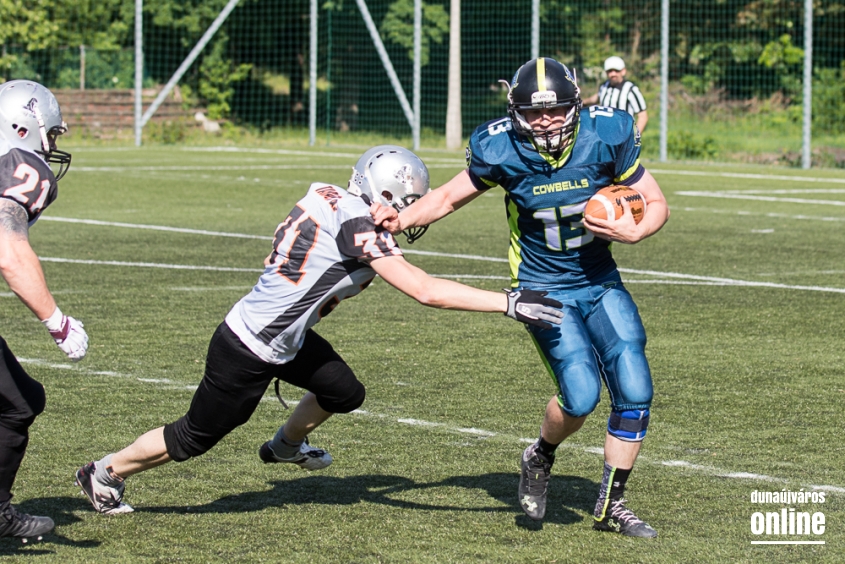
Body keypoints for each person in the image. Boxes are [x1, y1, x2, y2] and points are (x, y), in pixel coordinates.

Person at [74, 145, 563, 515]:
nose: (406, 213)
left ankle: (284, 447)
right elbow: (424, 290)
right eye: (403, 202)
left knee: (343, 391)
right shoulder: (357, 228)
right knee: (191, 438)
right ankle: (103, 472)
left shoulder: (327, 193)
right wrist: (508, 302)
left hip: (284, 334)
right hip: (250, 346)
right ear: (382, 194)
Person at [371, 58, 669, 537]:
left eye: (554, 111)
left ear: (576, 106)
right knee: (580, 396)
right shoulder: (500, 146)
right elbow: (447, 197)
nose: (544, 121)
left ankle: (612, 505)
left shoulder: (608, 133)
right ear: (514, 110)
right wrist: (399, 221)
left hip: (597, 277)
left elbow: (656, 204)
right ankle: (540, 455)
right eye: (532, 113)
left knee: (635, 388)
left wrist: (635, 233)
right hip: (541, 285)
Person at [0, 80, 88, 541]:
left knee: (20, 400)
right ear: (22, 128)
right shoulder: (20, 164)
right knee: (16, 403)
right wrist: (57, 321)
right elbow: (7, 247)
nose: (51, 145)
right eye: (50, 134)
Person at [583, 56, 649, 134]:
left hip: (623, 136)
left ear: (623, 71)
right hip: (605, 135)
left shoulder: (630, 89)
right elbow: (598, 97)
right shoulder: (604, 86)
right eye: (610, 71)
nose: (613, 74)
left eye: (616, 71)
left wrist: (634, 137)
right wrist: (582, 101)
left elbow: (643, 116)